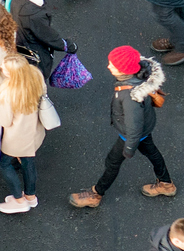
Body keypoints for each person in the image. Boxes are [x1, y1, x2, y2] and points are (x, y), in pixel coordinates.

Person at [69, 48, 176, 207]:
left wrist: (129, 148)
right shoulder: (139, 77)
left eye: (113, 65)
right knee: (152, 152)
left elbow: (134, 126)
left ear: (125, 71)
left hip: (131, 135)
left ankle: (96, 194)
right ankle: (166, 184)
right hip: (145, 130)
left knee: (112, 162)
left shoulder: (130, 97)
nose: (108, 66)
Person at [0, 56, 49, 214]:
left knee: (4, 164)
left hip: (16, 137)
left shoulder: (8, 91)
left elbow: (4, 120)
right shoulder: (36, 75)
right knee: (28, 161)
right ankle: (30, 196)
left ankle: (19, 200)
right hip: (33, 131)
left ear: (11, 74)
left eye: (4, 68)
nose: (1, 68)